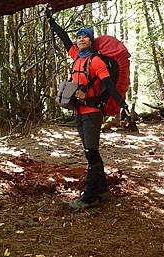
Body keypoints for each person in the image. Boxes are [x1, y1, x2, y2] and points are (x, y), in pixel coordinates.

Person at [46, 11, 130, 210]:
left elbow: (108, 85)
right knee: (90, 152)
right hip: (79, 112)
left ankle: (89, 196)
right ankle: (102, 190)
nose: (81, 38)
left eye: (85, 36)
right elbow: (63, 38)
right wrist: (51, 20)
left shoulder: (96, 61)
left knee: (90, 152)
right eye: (79, 36)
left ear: (91, 41)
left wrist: (123, 106)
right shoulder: (76, 55)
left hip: (92, 112)